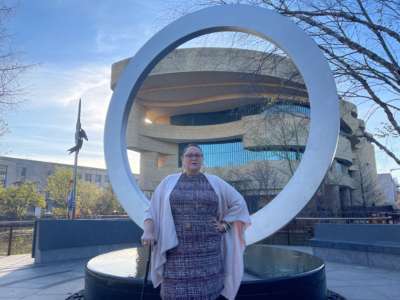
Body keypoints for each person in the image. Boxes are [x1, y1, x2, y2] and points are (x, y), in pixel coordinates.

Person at [141, 144, 251, 300]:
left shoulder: (215, 182)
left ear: (202, 159)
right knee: (174, 294)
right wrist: (149, 231)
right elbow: (151, 210)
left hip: (209, 253)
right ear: (182, 159)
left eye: (198, 155)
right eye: (189, 155)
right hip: (176, 253)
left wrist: (225, 224)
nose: (194, 158)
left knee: (207, 294)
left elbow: (239, 203)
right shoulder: (168, 182)